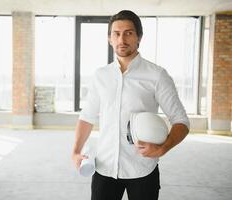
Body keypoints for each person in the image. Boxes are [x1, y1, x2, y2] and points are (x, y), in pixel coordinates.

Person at [71, 10, 190, 200]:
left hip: (143, 169)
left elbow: (181, 121)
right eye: (116, 34)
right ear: (109, 38)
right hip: (104, 168)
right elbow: (87, 117)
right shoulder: (101, 76)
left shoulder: (157, 75)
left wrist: (163, 148)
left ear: (139, 38)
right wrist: (75, 151)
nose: (122, 39)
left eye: (128, 33)